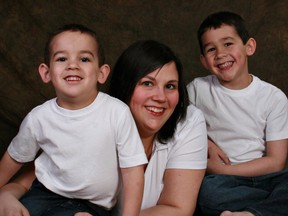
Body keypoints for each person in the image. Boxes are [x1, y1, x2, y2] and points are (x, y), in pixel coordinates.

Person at [0, 40, 208, 216]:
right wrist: (6, 195)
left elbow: (178, 208)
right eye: (147, 83)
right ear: (126, 86)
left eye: (170, 86)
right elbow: (36, 178)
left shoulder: (188, 121)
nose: (160, 97)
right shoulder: (95, 119)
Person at [0, 24, 148, 216]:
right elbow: (13, 158)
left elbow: (133, 171)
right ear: (46, 72)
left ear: (101, 73)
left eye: (84, 59)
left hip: (92, 205)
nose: (72, 65)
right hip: (44, 193)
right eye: (62, 58)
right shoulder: (39, 117)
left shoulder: (117, 112)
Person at [187, 11, 288, 216]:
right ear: (203, 60)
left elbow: (276, 161)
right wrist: (207, 144)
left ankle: (250, 213)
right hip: (222, 183)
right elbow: (178, 125)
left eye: (228, 44)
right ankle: (268, 209)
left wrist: (225, 169)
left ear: (249, 47)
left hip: (266, 177)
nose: (220, 54)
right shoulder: (197, 89)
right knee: (207, 194)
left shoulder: (273, 97)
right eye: (211, 49)